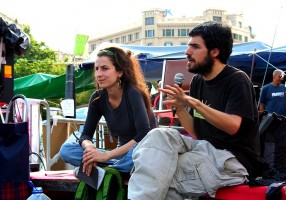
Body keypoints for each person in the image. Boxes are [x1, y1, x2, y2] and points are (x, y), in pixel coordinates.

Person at [128, 21, 261, 199]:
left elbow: (233, 126)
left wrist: (193, 103)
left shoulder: (237, 80)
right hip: (202, 148)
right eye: (188, 46)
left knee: (161, 172)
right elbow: (197, 132)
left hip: (232, 159)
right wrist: (180, 108)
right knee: (157, 136)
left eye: (195, 47)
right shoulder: (198, 81)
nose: (187, 52)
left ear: (215, 52)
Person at [59, 46, 156, 177]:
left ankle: (104, 171)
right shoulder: (97, 98)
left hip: (144, 152)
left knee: (135, 157)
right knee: (67, 150)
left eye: (105, 68)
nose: (99, 74)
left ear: (119, 72)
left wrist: (106, 156)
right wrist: (89, 148)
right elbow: (85, 135)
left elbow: (143, 134)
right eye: (97, 69)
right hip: (119, 157)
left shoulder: (133, 93)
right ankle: (112, 170)